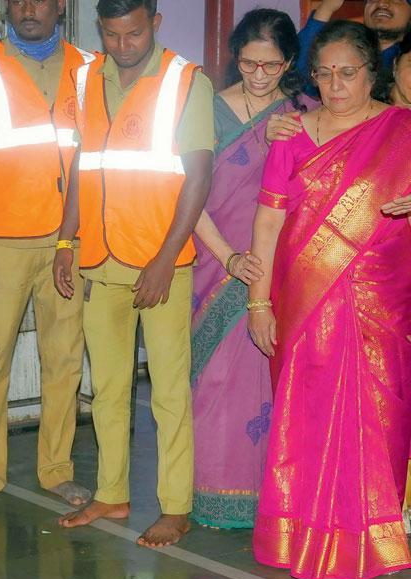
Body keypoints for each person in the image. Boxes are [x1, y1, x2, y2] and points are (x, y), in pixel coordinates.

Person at [247, 20, 411, 579]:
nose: (336, 85)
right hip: (302, 302)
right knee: (304, 421)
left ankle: (370, 540)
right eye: (324, 73)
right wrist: (257, 304)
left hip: (379, 306)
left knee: (380, 419)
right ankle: (299, 537)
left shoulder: (404, 131)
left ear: (374, 72)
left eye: (348, 73)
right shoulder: (289, 134)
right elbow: (267, 224)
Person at [53, 0, 214, 548]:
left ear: (155, 25)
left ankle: (176, 507)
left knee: (168, 392)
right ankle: (112, 493)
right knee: (108, 388)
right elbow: (82, 165)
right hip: (98, 260)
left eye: (134, 32)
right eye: (113, 34)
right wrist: (64, 240)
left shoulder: (184, 80)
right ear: (101, 30)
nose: (123, 44)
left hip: (161, 265)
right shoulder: (85, 78)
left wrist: (166, 258)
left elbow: (198, 177)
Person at [0, 0, 93, 513]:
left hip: (68, 244)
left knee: (63, 358)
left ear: (61, 5)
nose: (29, 7)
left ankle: (56, 468)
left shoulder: (87, 69)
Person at [188, 9, 308, 530]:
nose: (259, 76)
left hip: (275, 270)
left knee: (266, 380)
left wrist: (299, 136)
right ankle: (210, 495)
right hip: (213, 262)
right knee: (214, 380)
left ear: (288, 64)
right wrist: (228, 257)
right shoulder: (207, 111)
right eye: (248, 63)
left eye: (271, 66)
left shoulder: (305, 111)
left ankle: (267, 496)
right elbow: (187, 195)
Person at [295, 0, 409, 80]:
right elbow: (298, 78)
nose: (381, 3)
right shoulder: (342, 49)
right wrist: (326, 8)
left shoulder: (405, 62)